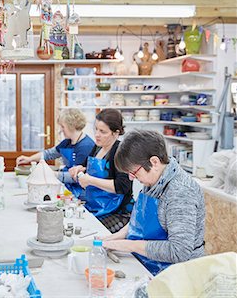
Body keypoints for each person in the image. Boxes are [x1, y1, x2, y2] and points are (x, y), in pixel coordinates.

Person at [101, 130, 205, 276]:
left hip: (179, 273)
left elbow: (179, 251)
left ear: (154, 162)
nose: (131, 178)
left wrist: (128, 245)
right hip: (151, 263)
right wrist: (117, 236)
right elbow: (141, 220)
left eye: (134, 172)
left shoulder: (180, 192)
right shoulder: (155, 179)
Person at [69, 109, 134, 233]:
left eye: (102, 131)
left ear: (116, 133)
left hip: (118, 212)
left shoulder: (121, 152)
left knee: (91, 232)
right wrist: (79, 168)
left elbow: (122, 186)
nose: (97, 134)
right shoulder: (98, 146)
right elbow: (85, 165)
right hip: (96, 206)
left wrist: (90, 180)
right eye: (96, 129)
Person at [16, 108, 95, 198]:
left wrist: (52, 174)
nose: (61, 130)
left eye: (62, 126)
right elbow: (49, 154)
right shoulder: (67, 142)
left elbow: (77, 176)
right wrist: (29, 158)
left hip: (81, 192)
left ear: (71, 126)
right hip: (68, 187)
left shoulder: (86, 146)